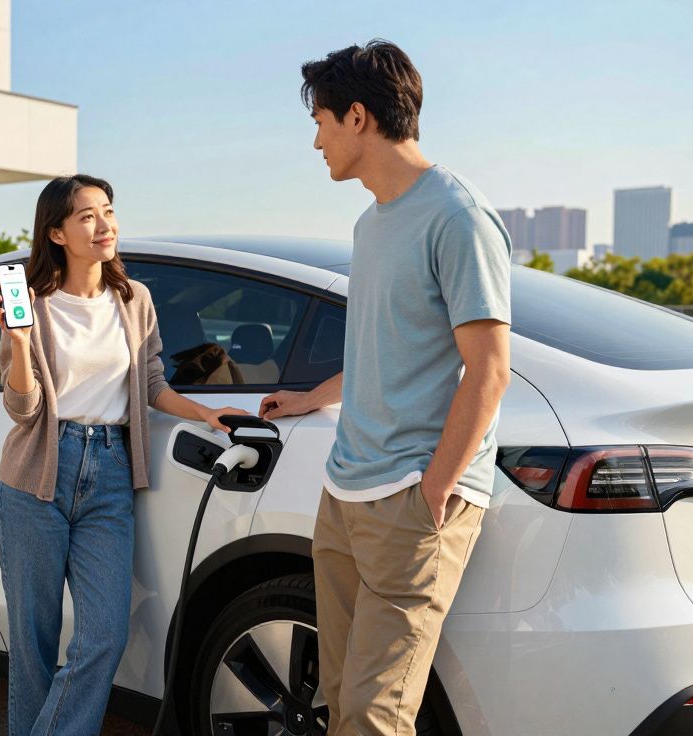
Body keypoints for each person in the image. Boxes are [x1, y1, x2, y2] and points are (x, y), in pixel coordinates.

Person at [259, 41, 512, 736]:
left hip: (410, 497)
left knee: (375, 718)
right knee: (339, 702)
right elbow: (387, 351)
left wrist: (436, 489)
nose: (316, 141)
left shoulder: (457, 216)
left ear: (359, 117)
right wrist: (314, 398)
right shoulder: (369, 225)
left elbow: (489, 368)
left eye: (322, 122)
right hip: (345, 491)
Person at [0, 174, 247, 736]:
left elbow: (151, 382)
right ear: (56, 232)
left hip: (109, 473)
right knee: (32, 645)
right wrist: (16, 342)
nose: (104, 225)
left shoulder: (134, 300)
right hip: (37, 477)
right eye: (86, 216)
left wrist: (204, 414)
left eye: (108, 211)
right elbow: (23, 408)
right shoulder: (34, 304)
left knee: (104, 636)